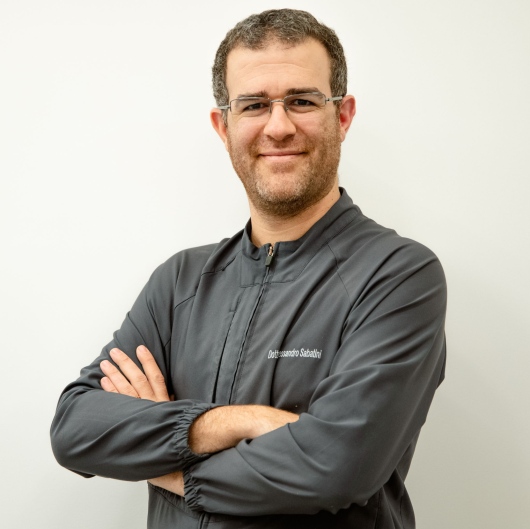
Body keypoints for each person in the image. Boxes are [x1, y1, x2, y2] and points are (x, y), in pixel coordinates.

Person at [51, 8, 446, 529]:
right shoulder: (180, 283)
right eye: (254, 105)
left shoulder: (397, 276)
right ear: (224, 126)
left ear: (342, 116)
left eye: (302, 101)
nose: (279, 126)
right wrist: (239, 422)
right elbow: (75, 429)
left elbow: (335, 465)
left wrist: (161, 457)